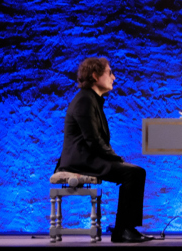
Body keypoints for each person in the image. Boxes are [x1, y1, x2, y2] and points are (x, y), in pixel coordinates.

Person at [55, 56, 152, 243]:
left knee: (135, 172)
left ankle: (125, 228)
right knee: (133, 173)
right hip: (81, 161)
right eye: (109, 73)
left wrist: (115, 159)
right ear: (94, 75)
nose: (113, 77)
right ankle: (123, 230)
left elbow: (97, 140)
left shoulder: (92, 99)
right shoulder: (85, 100)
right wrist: (116, 159)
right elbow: (93, 140)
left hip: (88, 158)